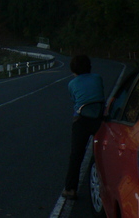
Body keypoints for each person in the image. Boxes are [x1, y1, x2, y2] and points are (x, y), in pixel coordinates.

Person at [62, 54, 104, 200]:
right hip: (99, 119)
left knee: (76, 155)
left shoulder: (72, 84)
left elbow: (75, 100)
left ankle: (70, 189)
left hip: (81, 120)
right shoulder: (97, 78)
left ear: (73, 69)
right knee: (102, 154)